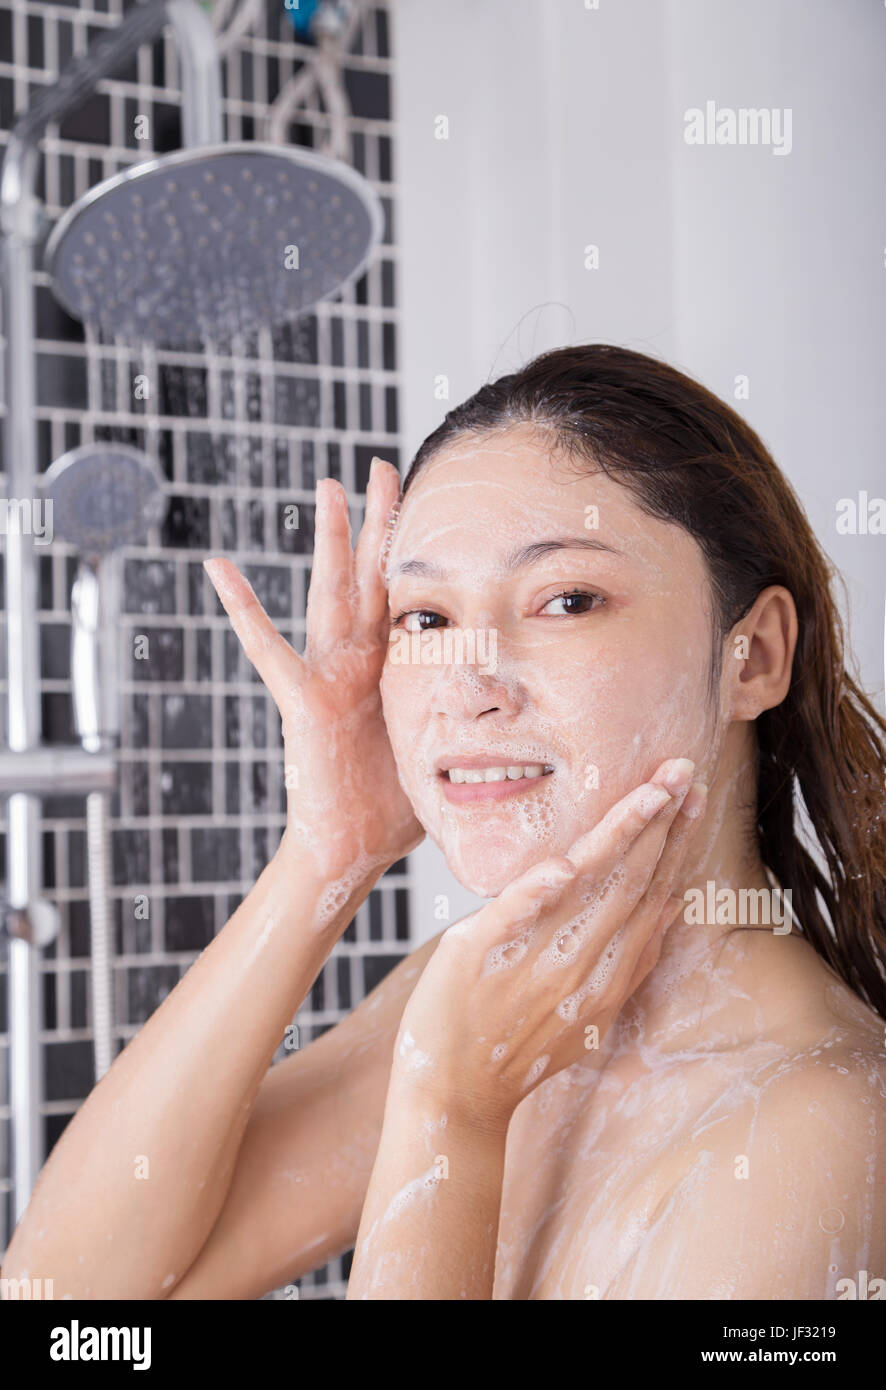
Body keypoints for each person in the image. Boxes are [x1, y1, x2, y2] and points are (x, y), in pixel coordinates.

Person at [3, 345, 884, 1300]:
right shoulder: (494, 1004)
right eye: (424, 617)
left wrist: (452, 1117)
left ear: (752, 657)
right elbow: (62, 1302)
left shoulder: (825, 1132)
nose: (468, 686)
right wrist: (326, 857)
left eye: (566, 599)